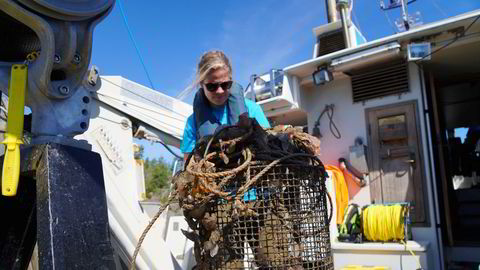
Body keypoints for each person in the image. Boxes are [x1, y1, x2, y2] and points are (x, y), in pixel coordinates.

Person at [180, 50, 270, 161]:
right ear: (201, 84)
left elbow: (269, 145)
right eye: (212, 86)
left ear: (231, 81)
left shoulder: (252, 109)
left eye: (225, 84)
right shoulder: (192, 122)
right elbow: (187, 163)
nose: (220, 91)